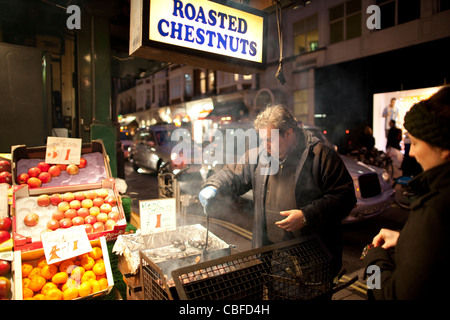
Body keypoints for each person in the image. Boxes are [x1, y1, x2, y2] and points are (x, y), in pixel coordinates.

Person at [198, 105, 356, 279]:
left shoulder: (321, 156)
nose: (265, 146)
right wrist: (213, 186)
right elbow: (232, 175)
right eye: (262, 140)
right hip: (272, 256)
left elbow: (345, 197)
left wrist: (306, 216)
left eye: (269, 140)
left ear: (288, 133)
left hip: (313, 260)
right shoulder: (260, 157)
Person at [362, 86, 450, 300]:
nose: (412, 152)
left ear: (444, 149)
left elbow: (389, 295)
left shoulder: (434, 211)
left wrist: (372, 261)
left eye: (417, 143)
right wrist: (406, 240)